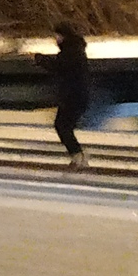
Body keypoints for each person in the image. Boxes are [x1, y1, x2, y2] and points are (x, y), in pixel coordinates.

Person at [39, 22, 89, 170]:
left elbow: (59, 66)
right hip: (75, 95)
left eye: (57, 35)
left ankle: (78, 156)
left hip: (73, 96)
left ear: (63, 35)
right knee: (64, 126)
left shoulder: (71, 51)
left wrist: (40, 59)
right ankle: (78, 156)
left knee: (62, 126)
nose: (56, 39)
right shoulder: (75, 49)